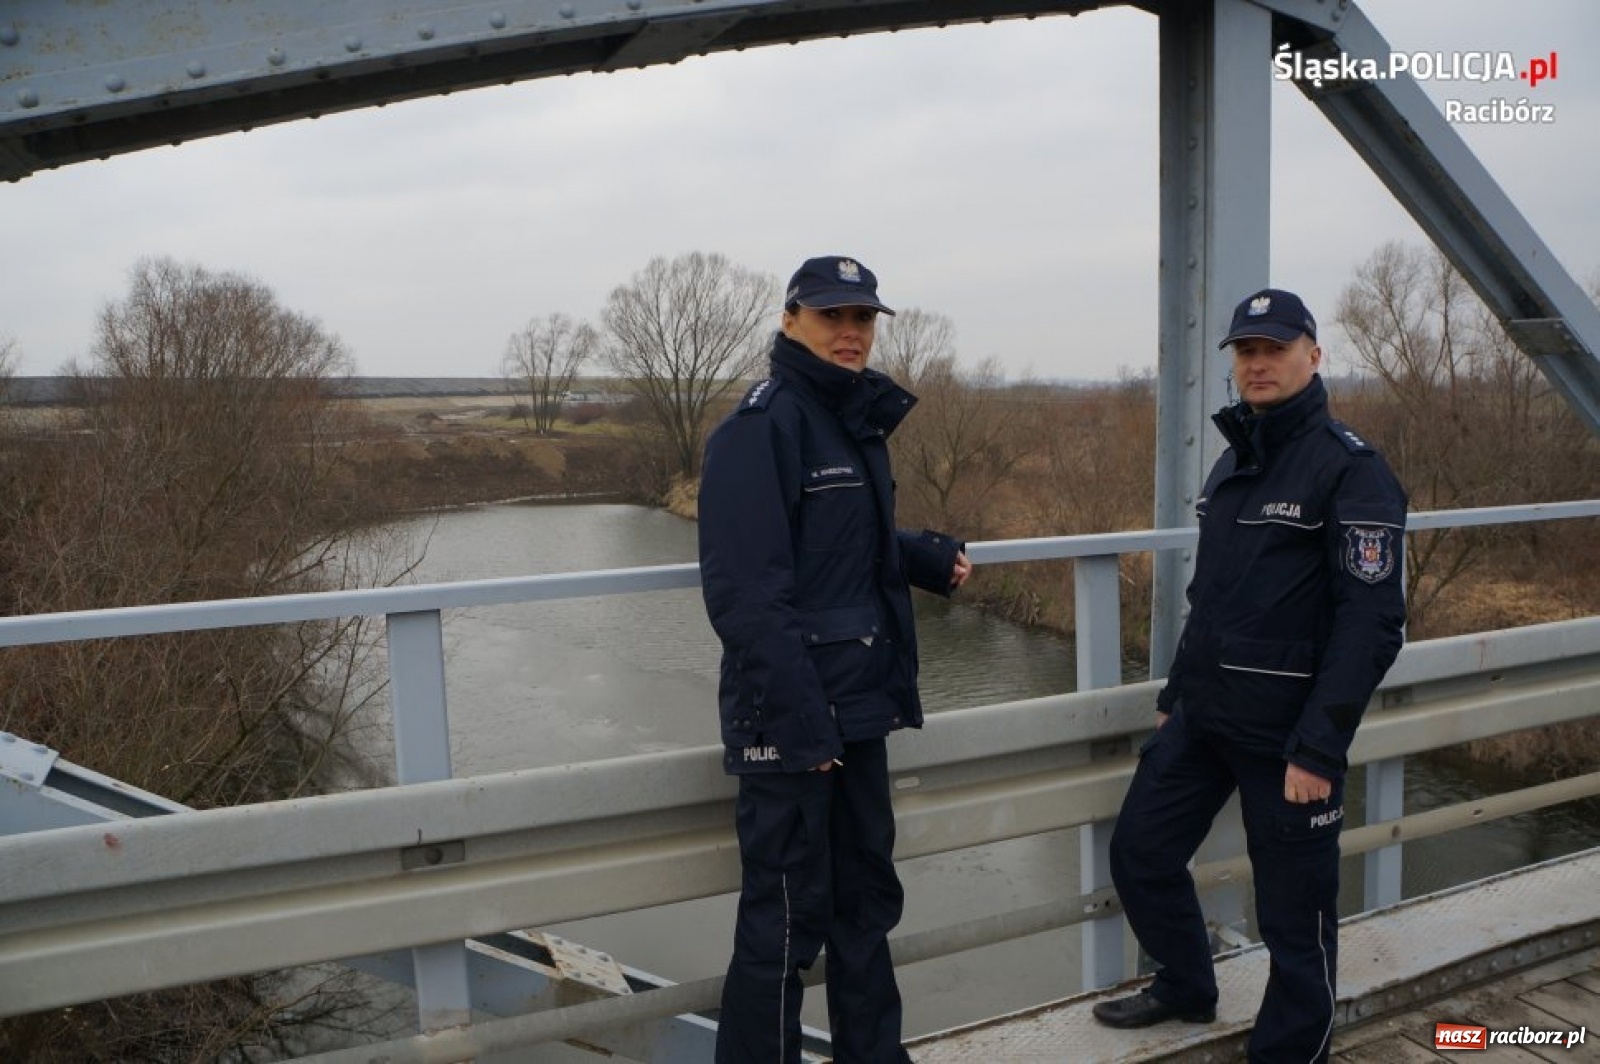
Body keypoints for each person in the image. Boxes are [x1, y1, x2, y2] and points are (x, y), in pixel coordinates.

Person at [1092, 288, 1407, 1061]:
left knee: (1295, 914)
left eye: (1274, 347)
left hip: (1289, 735)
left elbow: (1372, 624)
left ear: (1313, 355)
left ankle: (1292, 1050)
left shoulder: (1351, 472)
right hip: (1205, 717)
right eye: (1245, 350)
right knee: (1140, 849)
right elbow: (1213, 600)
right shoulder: (1236, 463)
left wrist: (1320, 748)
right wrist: (1174, 698)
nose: (1257, 363)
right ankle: (1187, 985)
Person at [698, 255, 972, 1063]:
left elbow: (834, 543)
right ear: (790, 322)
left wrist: (915, 555)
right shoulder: (762, 425)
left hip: (855, 708)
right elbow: (748, 593)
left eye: (862, 319)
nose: (850, 334)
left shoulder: (847, 421)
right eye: (831, 317)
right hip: (795, 724)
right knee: (784, 924)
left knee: (866, 907)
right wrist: (801, 729)